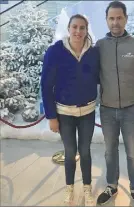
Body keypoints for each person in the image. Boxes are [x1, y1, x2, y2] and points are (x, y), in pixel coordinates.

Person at [96, 1, 134, 206]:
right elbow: (90, 74)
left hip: (131, 110)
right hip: (107, 110)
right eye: (111, 18)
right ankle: (111, 185)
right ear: (107, 20)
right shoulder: (100, 46)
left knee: (133, 153)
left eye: (119, 17)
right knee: (110, 151)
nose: (115, 22)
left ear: (126, 19)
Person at [41, 14, 99, 206]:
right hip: (64, 113)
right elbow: (46, 85)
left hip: (88, 112)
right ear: (68, 28)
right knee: (69, 152)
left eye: (82, 28)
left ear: (86, 29)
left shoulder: (93, 52)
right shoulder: (55, 51)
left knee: (85, 151)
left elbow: (99, 77)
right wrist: (51, 116)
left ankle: (87, 188)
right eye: (74, 27)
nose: (78, 31)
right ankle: (69, 188)